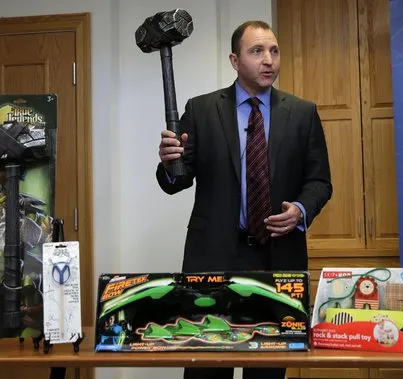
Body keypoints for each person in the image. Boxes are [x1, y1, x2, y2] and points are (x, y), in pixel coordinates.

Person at [156, 20, 332, 379]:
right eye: (257, 52)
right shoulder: (202, 110)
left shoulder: (302, 114)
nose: (269, 60)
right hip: (213, 256)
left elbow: (319, 181)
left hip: (276, 257)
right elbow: (178, 182)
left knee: (266, 370)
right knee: (208, 368)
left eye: (274, 51)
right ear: (235, 60)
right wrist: (168, 162)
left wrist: (300, 210)